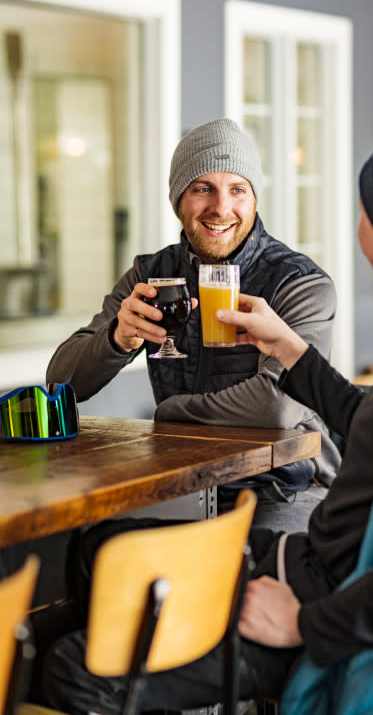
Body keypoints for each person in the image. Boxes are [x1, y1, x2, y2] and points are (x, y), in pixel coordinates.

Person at [43, 137, 373, 715]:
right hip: (330, 561)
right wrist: (295, 354)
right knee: (101, 548)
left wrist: (301, 622)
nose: (220, 204)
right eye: (202, 188)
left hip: (327, 587)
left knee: (74, 665)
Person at [46, 117, 341, 530]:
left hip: (282, 488)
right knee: (92, 545)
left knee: (237, 571)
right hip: (181, 487)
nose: (221, 208)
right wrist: (117, 338)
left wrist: (169, 413)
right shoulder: (151, 276)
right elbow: (62, 383)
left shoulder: (299, 283)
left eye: (237, 190)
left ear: (254, 198)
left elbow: (276, 407)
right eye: (203, 188)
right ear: (178, 199)